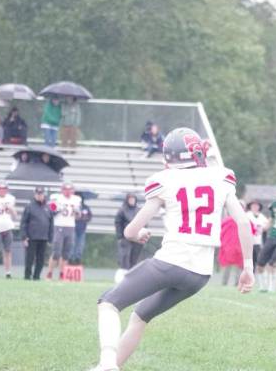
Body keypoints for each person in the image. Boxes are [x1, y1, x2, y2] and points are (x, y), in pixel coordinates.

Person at [89, 127, 254, 371]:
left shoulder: (165, 180)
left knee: (108, 303)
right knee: (139, 316)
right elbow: (242, 222)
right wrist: (248, 266)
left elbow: (130, 231)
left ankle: (106, 364)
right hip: (200, 275)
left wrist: (138, 234)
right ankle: (109, 368)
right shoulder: (221, 177)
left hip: (171, 263)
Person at [46, 182, 81, 280]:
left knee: (66, 253)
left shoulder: (76, 199)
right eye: (66, 189)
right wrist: (58, 209)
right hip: (59, 226)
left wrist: (76, 211)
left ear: (73, 190)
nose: (68, 191)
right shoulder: (57, 198)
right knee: (56, 252)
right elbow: (51, 211)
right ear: (62, 190)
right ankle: (50, 272)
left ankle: (62, 274)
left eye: (70, 189)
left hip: (70, 227)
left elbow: (78, 216)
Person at [21, 187, 54, 280]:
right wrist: (24, 237)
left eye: (41, 194)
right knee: (30, 258)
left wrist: (50, 238)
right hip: (31, 237)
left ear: (44, 194)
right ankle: (27, 276)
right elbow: (23, 223)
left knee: (41, 259)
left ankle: (37, 276)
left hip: (43, 238)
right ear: (35, 194)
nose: (39, 196)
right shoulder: (29, 206)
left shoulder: (48, 207)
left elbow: (51, 223)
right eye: (38, 194)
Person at [114, 193, 142, 281]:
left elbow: (144, 222)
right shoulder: (122, 210)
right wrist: (120, 236)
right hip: (125, 237)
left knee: (135, 258)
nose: (132, 201)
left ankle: (132, 278)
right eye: (130, 199)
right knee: (125, 257)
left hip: (137, 237)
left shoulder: (139, 210)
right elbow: (118, 223)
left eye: (133, 199)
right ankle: (123, 278)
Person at [245, 200, 268, 269]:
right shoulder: (247, 215)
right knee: (248, 262)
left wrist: (262, 229)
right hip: (248, 242)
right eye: (253, 205)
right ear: (250, 206)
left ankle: (256, 278)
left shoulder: (262, 217)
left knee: (258, 261)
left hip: (258, 243)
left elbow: (267, 226)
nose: (255, 207)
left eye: (256, 205)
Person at [71, 194, 92, 265]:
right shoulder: (72, 206)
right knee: (72, 244)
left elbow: (89, 217)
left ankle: (78, 259)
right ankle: (71, 259)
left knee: (80, 245)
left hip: (82, 229)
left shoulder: (85, 208)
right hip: (73, 228)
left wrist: (84, 218)